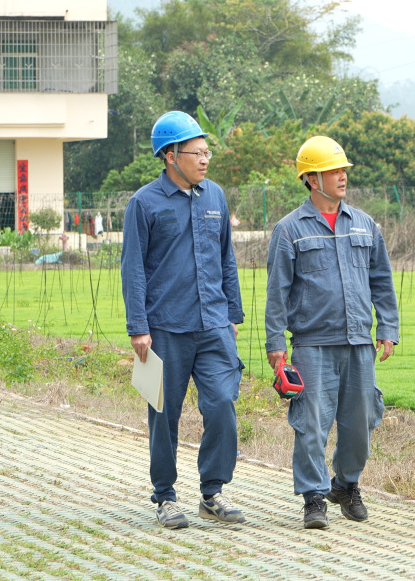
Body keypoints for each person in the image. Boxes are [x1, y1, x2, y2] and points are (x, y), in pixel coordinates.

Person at [265, 135, 400, 529]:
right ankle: (313, 498)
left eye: (343, 170)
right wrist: (276, 343)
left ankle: (345, 484)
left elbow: (382, 282)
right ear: (310, 179)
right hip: (311, 343)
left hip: (359, 343)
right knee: (310, 424)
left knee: (361, 423)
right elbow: (277, 291)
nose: (342, 177)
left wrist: (387, 327)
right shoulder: (289, 230)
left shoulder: (365, 225)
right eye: (332, 171)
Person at [121, 110, 246, 529]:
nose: (205, 159)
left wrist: (232, 314)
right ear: (171, 156)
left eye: (207, 151)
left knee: (223, 404)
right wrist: (138, 326)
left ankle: (212, 492)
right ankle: (165, 496)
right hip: (164, 328)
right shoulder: (143, 204)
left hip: (213, 324)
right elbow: (133, 268)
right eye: (197, 152)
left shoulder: (215, 197)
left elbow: (227, 258)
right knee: (163, 412)